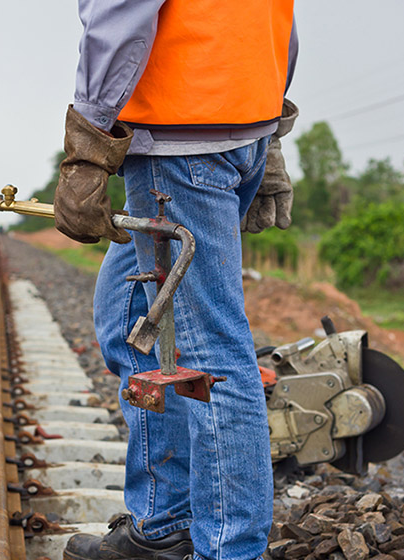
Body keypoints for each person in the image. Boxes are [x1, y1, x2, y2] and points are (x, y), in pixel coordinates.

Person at [54, 2, 299, 559]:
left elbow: (119, 14)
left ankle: (230, 549)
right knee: (126, 315)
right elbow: (276, 24)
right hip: (236, 129)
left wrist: (89, 147)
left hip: (180, 143)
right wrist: (271, 133)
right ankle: (165, 523)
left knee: (212, 353)